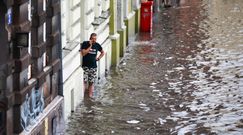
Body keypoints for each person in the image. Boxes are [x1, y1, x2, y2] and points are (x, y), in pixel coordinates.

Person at [80, 33, 105, 97]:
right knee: (84, 82)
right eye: (93, 39)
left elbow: (102, 52)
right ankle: (83, 96)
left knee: (91, 83)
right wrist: (90, 46)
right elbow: (83, 54)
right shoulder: (85, 44)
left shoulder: (97, 45)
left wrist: (98, 58)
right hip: (85, 66)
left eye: (95, 39)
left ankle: (90, 97)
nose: (94, 40)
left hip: (93, 67)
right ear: (90, 38)